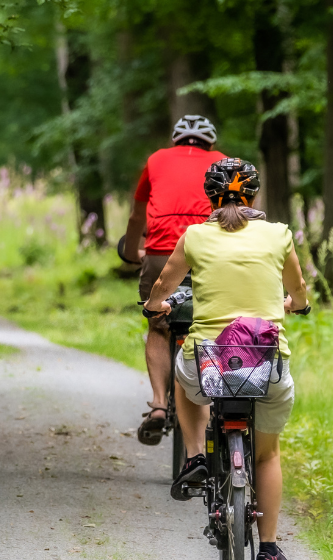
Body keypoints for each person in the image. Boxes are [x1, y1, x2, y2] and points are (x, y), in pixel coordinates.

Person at [143, 157, 310, 560]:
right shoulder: (278, 235)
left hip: (210, 364)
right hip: (266, 364)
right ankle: (268, 549)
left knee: (183, 380)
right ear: (254, 195)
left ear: (210, 197)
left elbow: (164, 284)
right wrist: (296, 305)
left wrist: (155, 305)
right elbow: (299, 290)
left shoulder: (196, 236)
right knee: (268, 455)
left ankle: (195, 456)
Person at [122, 115, 227, 445]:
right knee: (216, 323)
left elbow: (136, 215)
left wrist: (131, 251)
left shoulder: (156, 160)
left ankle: (158, 404)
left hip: (160, 251)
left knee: (159, 324)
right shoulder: (224, 162)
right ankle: (219, 396)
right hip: (211, 250)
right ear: (210, 143)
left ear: (175, 140)